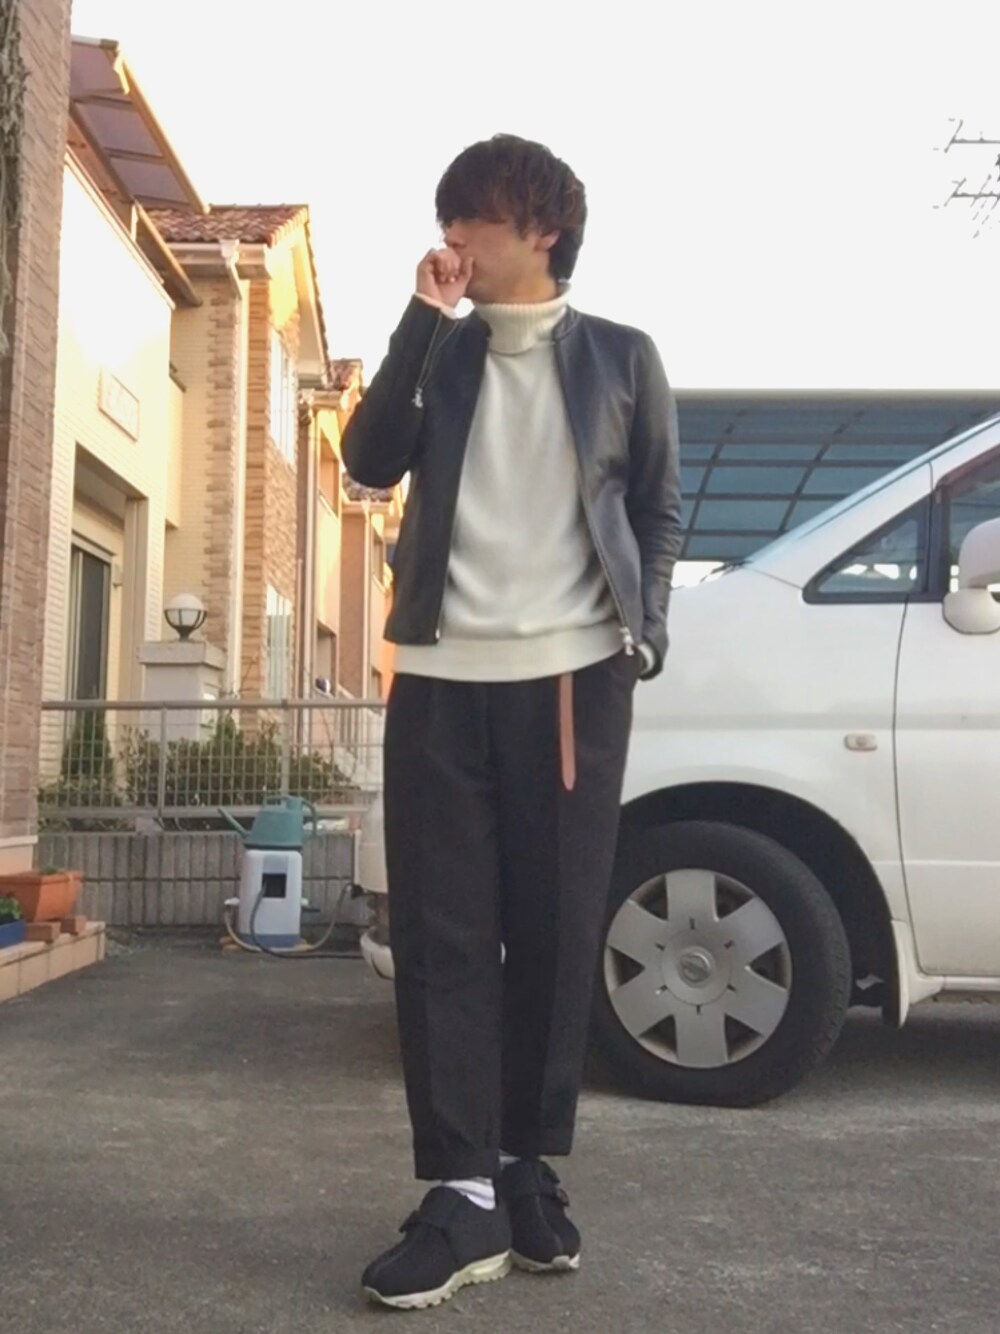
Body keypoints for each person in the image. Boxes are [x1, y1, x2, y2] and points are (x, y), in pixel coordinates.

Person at [343, 133, 682, 1310]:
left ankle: (523, 1164)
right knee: (442, 937)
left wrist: (646, 633)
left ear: (541, 228)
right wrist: (419, 319)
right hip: (440, 675)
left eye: (474, 220)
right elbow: (369, 456)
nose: (453, 238)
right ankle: (461, 1190)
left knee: (552, 926)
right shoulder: (442, 348)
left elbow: (657, 509)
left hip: (572, 682)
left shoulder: (622, 357)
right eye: (446, 220)